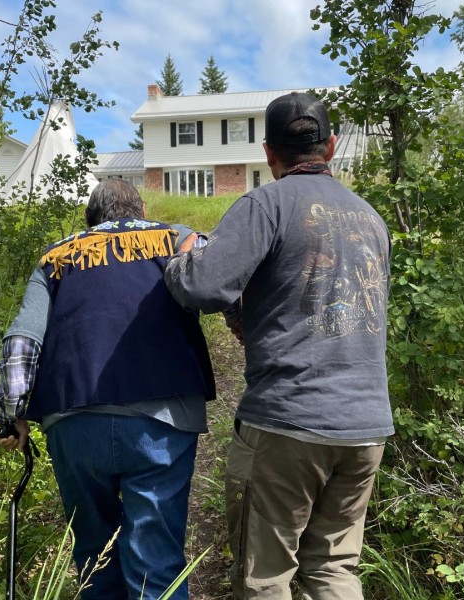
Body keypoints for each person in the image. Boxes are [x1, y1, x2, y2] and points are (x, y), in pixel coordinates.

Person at [164, 91, 393, 600]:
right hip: (366, 425)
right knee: (333, 568)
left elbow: (203, 286)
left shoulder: (265, 204)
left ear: (268, 152)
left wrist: (181, 259)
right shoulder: (372, 219)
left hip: (289, 421)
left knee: (265, 575)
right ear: (331, 146)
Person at [0, 178, 215, 600]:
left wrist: (10, 415)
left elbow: (23, 340)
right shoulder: (176, 239)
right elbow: (222, 279)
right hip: (162, 417)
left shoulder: (56, 257)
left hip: (73, 421)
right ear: (142, 211)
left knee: (95, 556)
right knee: (157, 562)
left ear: (88, 219)